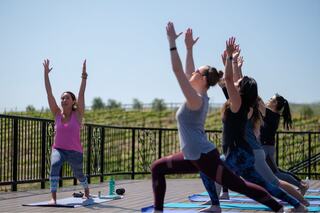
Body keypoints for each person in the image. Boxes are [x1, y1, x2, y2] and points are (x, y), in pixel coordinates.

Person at [150, 22, 284, 213]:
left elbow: (179, 71)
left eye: (198, 72)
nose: (194, 72)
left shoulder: (196, 100)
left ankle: (277, 207)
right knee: (157, 168)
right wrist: (188, 48)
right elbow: (188, 72)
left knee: (239, 185)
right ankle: (159, 210)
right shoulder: (197, 94)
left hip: (204, 157)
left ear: (203, 79)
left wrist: (172, 42)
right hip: (193, 155)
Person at [43, 59, 90, 204]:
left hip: (75, 151)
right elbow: (49, 93)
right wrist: (46, 74)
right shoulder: (57, 113)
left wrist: (83, 76)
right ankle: (53, 198)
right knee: (54, 166)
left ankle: (86, 190)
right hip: (58, 149)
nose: (63, 100)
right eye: (62, 98)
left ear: (73, 101)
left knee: (78, 173)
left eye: (67, 98)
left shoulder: (78, 114)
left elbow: (81, 94)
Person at [259, 94, 309, 195]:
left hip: (266, 148)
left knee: (276, 173)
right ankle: (301, 183)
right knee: (276, 170)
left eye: (271, 99)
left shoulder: (270, 114)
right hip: (267, 147)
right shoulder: (273, 114)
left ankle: (301, 186)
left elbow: (257, 101)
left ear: (275, 103)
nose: (268, 100)